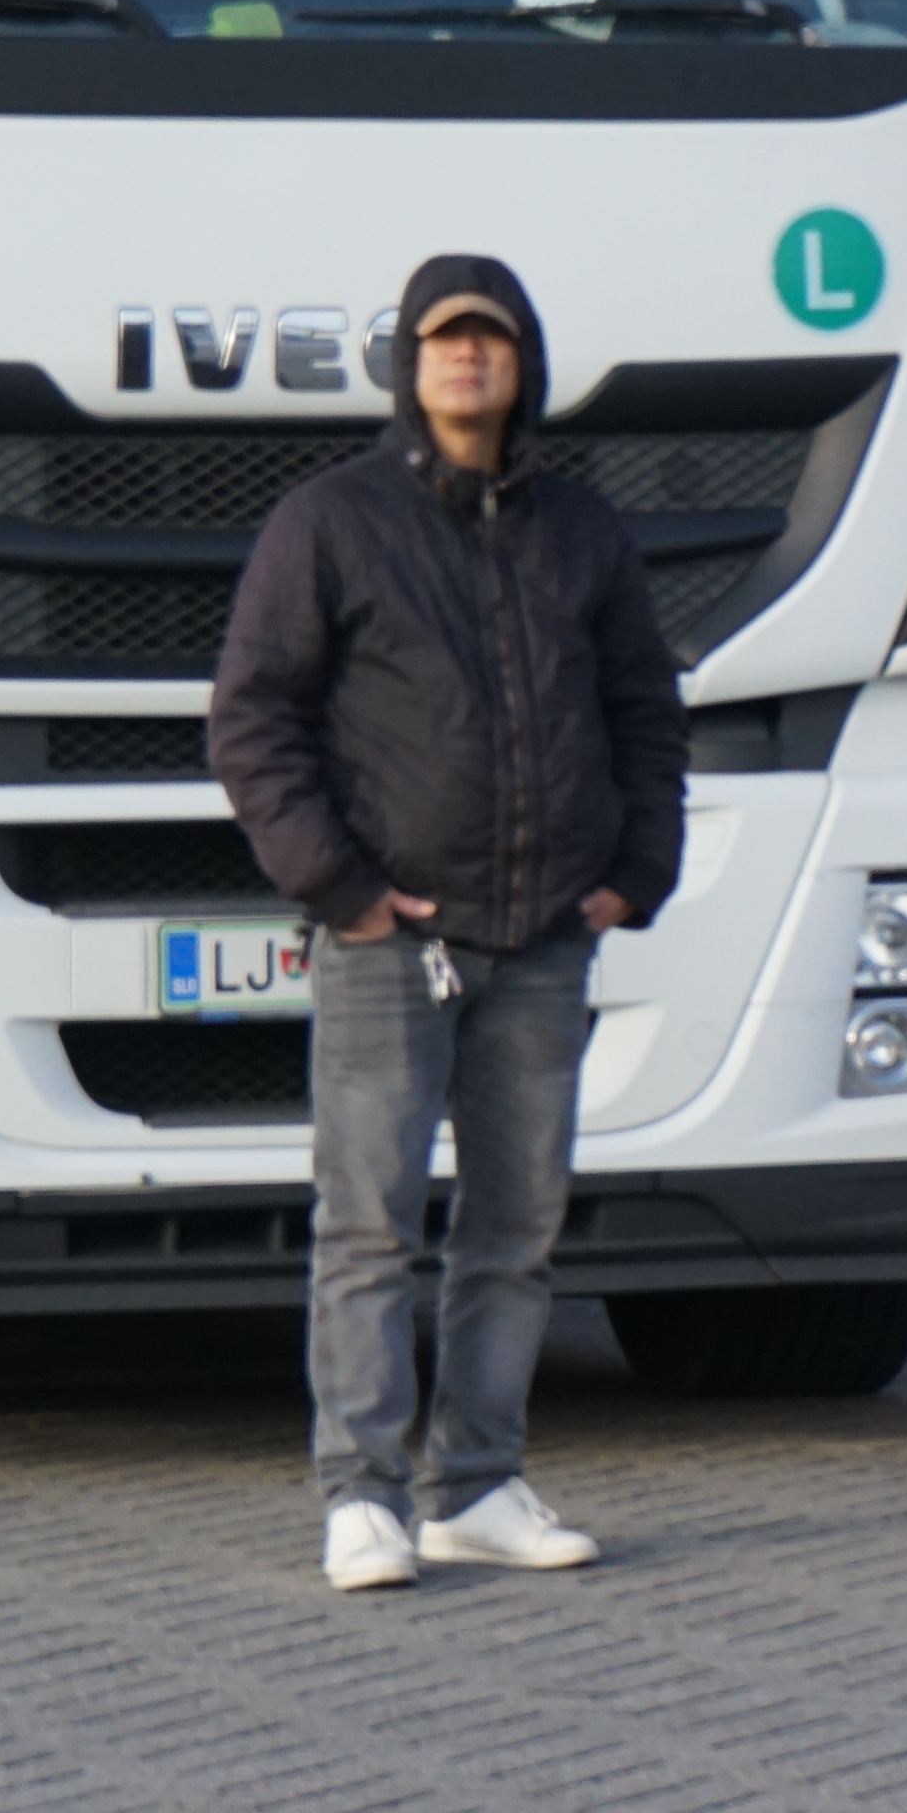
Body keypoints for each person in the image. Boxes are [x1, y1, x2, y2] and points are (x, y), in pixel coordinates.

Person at [209, 253, 689, 1592]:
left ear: (527, 358)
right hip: (388, 942)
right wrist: (342, 889)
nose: (468, 359)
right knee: (369, 1221)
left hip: (544, 939)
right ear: (406, 367)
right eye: (444, 339)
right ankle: (359, 1495)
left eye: (491, 338)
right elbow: (252, 721)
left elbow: (648, 717)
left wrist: (632, 875)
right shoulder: (333, 523)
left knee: (515, 1227)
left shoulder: (586, 533)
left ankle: (475, 1483)